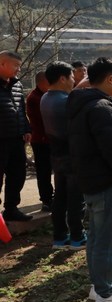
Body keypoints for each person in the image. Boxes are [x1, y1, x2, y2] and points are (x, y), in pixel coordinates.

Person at [66, 57, 112, 302]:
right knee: (110, 239)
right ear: (110, 79)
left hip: (92, 180)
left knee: (97, 237)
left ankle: (100, 286)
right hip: (108, 182)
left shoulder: (82, 104)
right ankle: (106, 294)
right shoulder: (101, 107)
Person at [40, 61, 86, 249]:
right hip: (72, 154)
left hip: (57, 154)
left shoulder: (46, 98)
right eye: (72, 77)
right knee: (76, 199)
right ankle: (77, 237)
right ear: (62, 78)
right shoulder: (65, 101)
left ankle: (60, 236)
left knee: (60, 197)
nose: (74, 81)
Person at [0, 51, 33, 222]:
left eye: (19, 66)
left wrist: (26, 128)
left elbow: (21, 109)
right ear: (2, 64)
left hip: (16, 138)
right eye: (15, 65)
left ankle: (11, 208)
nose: (18, 69)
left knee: (17, 174)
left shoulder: (17, 85)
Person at [26, 71, 53, 211]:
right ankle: (46, 199)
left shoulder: (46, 95)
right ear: (41, 82)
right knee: (44, 172)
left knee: (51, 170)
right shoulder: (35, 98)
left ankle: (51, 197)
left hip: (49, 139)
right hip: (41, 140)